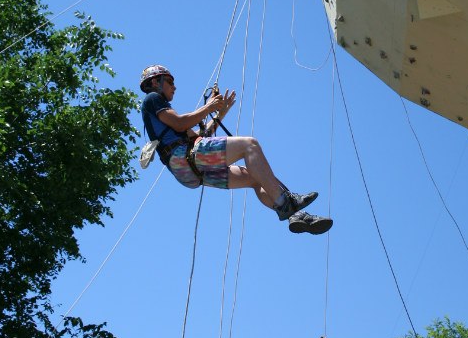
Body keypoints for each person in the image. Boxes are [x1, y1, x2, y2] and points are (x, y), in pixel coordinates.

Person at [140, 65, 332, 235]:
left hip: (189, 172)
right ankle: (286, 202)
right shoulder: (153, 99)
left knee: (256, 178)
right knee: (250, 145)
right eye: (170, 81)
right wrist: (209, 107)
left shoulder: (164, 119)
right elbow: (181, 123)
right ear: (156, 81)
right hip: (185, 158)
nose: (174, 86)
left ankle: (294, 214)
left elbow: (201, 135)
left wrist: (220, 113)